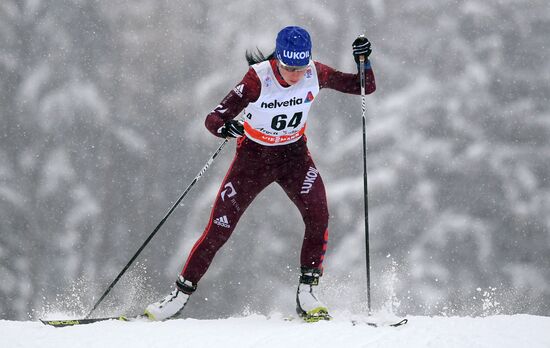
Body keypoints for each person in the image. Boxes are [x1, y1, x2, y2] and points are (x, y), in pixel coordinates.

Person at [144, 26, 375, 322]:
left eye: (300, 67)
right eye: (289, 67)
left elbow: (363, 86)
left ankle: (307, 293)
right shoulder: (258, 78)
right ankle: (178, 296)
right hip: (253, 160)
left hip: (294, 157)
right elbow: (214, 118)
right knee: (219, 229)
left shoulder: (315, 73)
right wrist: (224, 127)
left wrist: (364, 61)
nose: (295, 75)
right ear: (278, 59)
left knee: (319, 213)